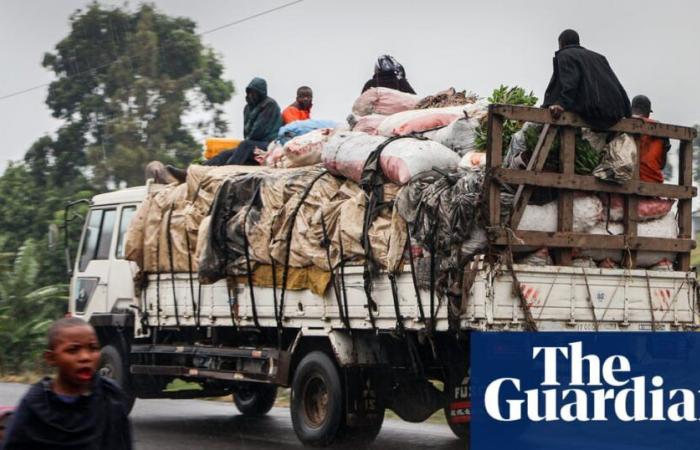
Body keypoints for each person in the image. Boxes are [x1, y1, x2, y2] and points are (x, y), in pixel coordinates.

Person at [1, 318, 133, 450]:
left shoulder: (109, 396)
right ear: (51, 358)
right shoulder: (36, 404)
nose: (85, 357)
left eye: (93, 348)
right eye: (73, 350)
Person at [166, 77, 282, 180]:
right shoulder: (248, 108)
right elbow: (247, 132)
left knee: (244, 145)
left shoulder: (269, 105)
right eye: (250, 92)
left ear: (261, 93)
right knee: (225, 154)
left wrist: (246, 144)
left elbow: (259, 131)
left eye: (255, 93)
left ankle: (225, 173)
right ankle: (193, 173)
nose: (252, 95)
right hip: (252, 143)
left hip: (268, 145)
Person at [542, 29, 631, 129]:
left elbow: (570, 83)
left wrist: (561, 104)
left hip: (593, 112)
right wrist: (629, 113)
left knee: (528, 131)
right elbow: (617, 84)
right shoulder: (600, 58)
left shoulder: (565, 54)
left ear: (561, 43)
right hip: (614, 114)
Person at [631, 95, 670, 183]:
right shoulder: (661, 128)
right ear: (648, 112)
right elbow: (662, 165)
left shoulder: (623, 124)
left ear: (631, 109)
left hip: (624, 179)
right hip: (652, 181)